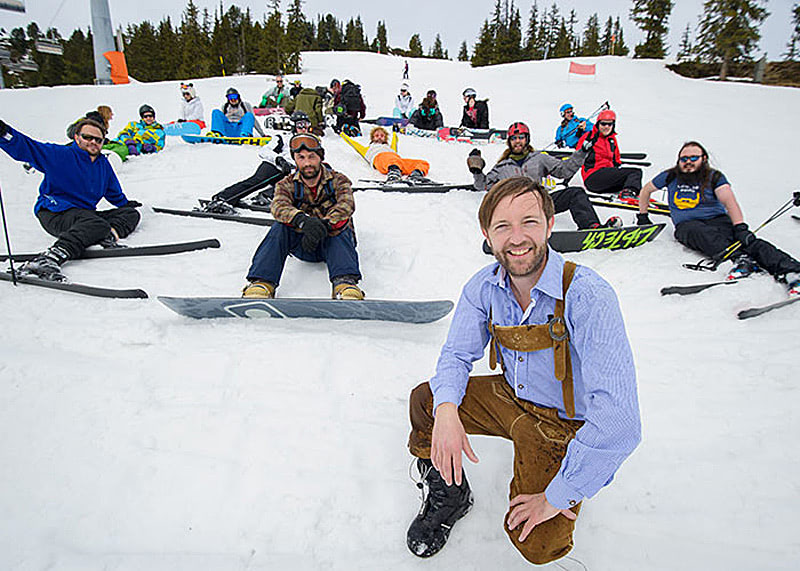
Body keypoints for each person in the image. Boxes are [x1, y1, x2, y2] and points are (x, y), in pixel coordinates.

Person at [405, 176, 641, 563]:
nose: (517, 238)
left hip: (562, 422)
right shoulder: (483, 286)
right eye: (503, 226)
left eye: (529, 222)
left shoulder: (588, 296)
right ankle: (451, 494)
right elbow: (456, 355)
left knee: (537, 543)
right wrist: (447, 410)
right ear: (488, 234)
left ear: (550, 224)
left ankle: (560, 480)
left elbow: (620, 420)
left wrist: (558, 494)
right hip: (511, 397)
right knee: (427, 401)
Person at [638, 141, 800, 291]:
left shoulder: (713, 177)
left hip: (718, 221)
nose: (688, 162)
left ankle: (792, 271)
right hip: (689, 226)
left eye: (694, 158)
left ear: (704, 158)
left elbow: (729, 201)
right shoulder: (670, 176)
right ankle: (741, 260)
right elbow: (646, 191)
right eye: (684, 158)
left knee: (749, 242)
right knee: (698, 231)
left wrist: (740, 227)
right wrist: (643, 216)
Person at [0, 118, 141, 280]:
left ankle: (102, 238)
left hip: (83, 215)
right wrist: (5, 133)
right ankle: (48, 259)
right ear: (77, 137)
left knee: (130, 215)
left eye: (98, 140)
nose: (93, 142)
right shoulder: (61, 155)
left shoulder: (103, 164)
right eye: (87, 137)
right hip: (55, 213)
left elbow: (112, 191)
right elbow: (28, 148)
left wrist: (125, 205)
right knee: (96, 224)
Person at [242, 133, 364, 300]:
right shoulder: (286, 184)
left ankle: (345, 283)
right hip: (302, 243)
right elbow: (278, 206)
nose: (307, 163)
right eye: (301, 157)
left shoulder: (339, 180)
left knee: (342, 225)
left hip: (332, 244)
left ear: (320, 157)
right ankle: (262, 282)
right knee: (279, 227)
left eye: (311, 157)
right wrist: (303, 221)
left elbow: (346, 205)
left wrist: (325, 225)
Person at [469, 122, 619, 229]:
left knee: (576, 193)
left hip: (540, 204)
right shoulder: (502, 167)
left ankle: (591, 227)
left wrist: (582, 152)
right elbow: (483, 185)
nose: (517, 141)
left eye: (521, 137)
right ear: (509, 142)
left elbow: (563, 171)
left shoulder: (540, 158)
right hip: (517, 209)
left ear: (527, 139)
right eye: (514, 139)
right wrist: (477, 170)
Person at [204, 112, 315, 213]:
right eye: (300, 125)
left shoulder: (310, 143)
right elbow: (264, 150)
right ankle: (223, 198)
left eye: (306, 125)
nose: (304, 128)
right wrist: (279, 160)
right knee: (257, 181)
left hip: (290, 171)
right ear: (293, 126)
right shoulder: (283, 138)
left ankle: (264, 196)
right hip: (274, 166)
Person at [576, 110, 641, 199]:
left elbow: (616, 160)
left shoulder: (612, 140)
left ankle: (634, 193)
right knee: (635, 172)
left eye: (609, 124)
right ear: (598, 124)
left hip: (606, 177)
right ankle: (628, 194)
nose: (606, 127)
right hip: (593, 177)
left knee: (631, 178)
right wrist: (584, 149)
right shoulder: (589, 137)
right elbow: (577, 157)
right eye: (603, 124)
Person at [366, 126, 431, 184]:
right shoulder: (372, 147)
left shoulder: (389, 147)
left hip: (397, 161)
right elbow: (367, 156)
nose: (379, 137)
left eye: (382, 136)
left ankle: (416, 175)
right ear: (372, 138)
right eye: (377, 136)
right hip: (380, 158)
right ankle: (394, 174)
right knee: (391, 160)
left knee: (423, 163)